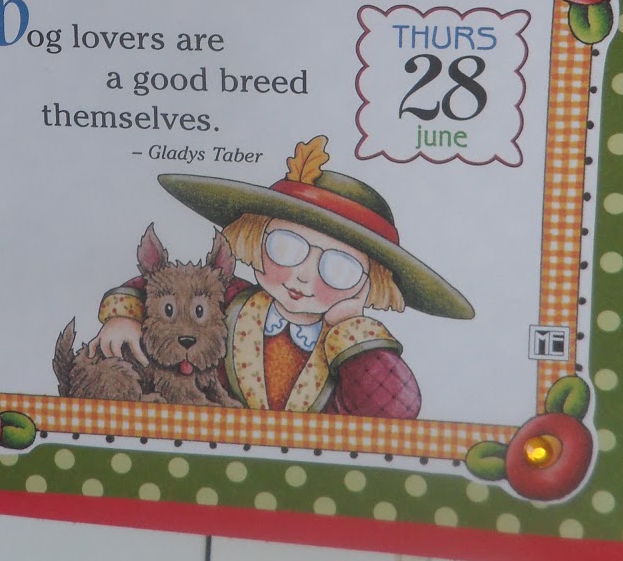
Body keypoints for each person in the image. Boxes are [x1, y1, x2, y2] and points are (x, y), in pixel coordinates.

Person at [88, 135, 473, 416]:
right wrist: (123, 316)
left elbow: (397, 408)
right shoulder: (230, 299)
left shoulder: (351, 345)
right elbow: (163, 289)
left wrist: (350, 327)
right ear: (254, 240)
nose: (302, 277)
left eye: (339, 269)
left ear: (370, 284)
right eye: (286, 248)